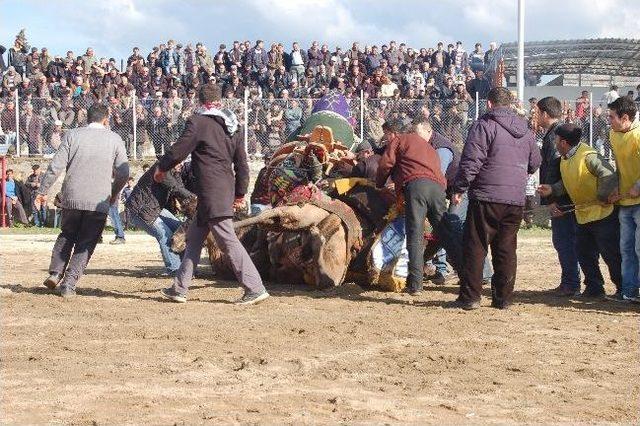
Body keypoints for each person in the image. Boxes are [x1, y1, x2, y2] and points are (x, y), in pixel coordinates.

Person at [155, 83, 269, 305]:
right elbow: (242, 165)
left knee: (228, 241)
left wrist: (161, 168)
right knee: (194, 239)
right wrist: (240, 193)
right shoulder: (233, 125)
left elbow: (178, 150)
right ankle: (179, 288)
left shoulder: (198, 122)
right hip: (223, 190)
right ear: (220, 100)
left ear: (199, 101)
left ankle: (255, 287)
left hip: (210, 192)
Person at [452, 87, 541, 310]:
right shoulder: (526, 129)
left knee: (476, 246)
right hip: (515, 199)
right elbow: (535, 161)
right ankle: (503, 300)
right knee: (507, 249)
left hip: (486, 196)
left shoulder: (484, 125)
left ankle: (470, 298)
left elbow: (472, 160)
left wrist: (459, 187)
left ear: (489, 104)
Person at [36, 104, 129, 298]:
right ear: (106, 119)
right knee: (86, 242)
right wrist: (113, 194)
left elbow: (55, 167)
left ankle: (55, 272)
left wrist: (43, 190)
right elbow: (124, 173)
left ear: (87, 118)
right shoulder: (115, 139)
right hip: (98, 200)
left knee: (67, 233)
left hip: (72, 198)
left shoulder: (72, 135)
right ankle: (69, 283)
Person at [375, 120, 463, 295]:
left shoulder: (398, 140)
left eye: (387, 135)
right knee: (446, 233)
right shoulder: (427, 145)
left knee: (415, 234)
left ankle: (415, 284)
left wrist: (379, 183)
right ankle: (467, 275)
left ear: (393, 133)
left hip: (416, 186)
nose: (386, 139)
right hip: (438, 188)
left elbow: (386, 164)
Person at [538, 124, 621, 299]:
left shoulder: (588, 156)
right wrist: (552, 189)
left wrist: (603, 195)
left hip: (602, 214)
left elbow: (608, 174)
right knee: (584, 253)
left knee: (610, 254)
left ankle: (623, 289)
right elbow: (571, 181)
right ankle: (594, 288)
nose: (554, 142)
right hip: (583, 215)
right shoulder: (566, 158)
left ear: (564, 142)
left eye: (556, 139)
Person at [535, 96, 582, 296]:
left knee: (564, 240)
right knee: (563, 240)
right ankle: (569, 281)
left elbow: (554, 169)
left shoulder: (556, 136)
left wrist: (553, 200)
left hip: (561, 199)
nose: (535, 116)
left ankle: (571, 283)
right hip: (560, 196)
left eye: (537, 112)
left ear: (545, 113)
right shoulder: (554, 134)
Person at [125, 162, 194, 276]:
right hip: (140, 209)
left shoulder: (175, 172)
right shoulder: (161, 167)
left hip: (156, 208)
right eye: (179, 161)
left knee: (180, 229)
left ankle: (186, 267)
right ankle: (174, 269)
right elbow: (174, 187)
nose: (181, 164)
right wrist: (194, 197)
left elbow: (180, 189)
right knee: (164, 234)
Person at [607, 97, 640, 302]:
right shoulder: (613, 134)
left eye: (611, 117)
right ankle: (629, 292)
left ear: (625, 118)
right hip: (626, 203)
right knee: (626, 249)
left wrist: (638, 185)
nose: (608, 120)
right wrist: (616, 187)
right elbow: (619, 165)